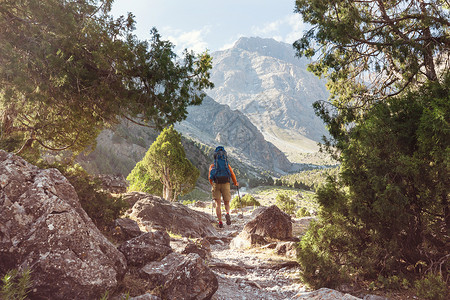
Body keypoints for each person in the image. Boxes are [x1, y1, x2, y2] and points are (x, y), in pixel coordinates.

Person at [208, 146, 238, 228]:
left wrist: (213, 185)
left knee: (218, 204)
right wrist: (235, 183)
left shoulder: (212, 166)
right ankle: (227, 213)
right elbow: (232, 174)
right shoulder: (226, 165)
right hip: (226, 184)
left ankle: (220, 222)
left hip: (216, 184)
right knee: (226, 202)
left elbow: (210, 177)